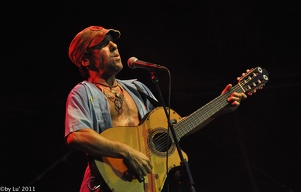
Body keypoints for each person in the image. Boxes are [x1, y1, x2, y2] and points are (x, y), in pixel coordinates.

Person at [65, 25, 247, 192]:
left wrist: (220, 107)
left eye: (113, 41)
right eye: (103, 44)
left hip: (146, 185)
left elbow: (175, 130)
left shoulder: (137, 88)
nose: (114, 46)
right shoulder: (82, 92)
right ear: (85, 60)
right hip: (105, 186)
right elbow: (77, 135)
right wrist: (126, 151)